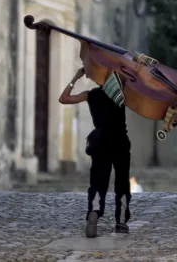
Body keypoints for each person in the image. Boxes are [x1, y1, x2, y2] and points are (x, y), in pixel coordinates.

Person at [59, 67, 132, 238]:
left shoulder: (90, 95)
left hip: (100, 143)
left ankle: (95, 211)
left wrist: (76, 77)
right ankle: (121, 222)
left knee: (98, 182)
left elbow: (63, 98)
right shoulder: (123, 95)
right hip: (120, 142)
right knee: (122, 183)